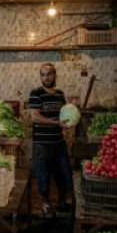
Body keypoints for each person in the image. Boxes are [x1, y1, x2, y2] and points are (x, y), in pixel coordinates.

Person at [29, 63, 73, 217]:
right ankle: (46, 204)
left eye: (49, 74)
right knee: (43, 175)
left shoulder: (60, 94)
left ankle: (62, 202)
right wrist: (56, 123)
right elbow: (35, 117)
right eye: (43, 74)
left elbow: (63, 115)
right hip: (42, 145)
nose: (46, 77)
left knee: (63, 174)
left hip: (58, 143)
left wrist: (70, 118)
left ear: (55, 75)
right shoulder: (36, 94)